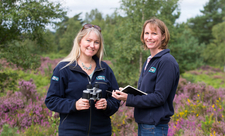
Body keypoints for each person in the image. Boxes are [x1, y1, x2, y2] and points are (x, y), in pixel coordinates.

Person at [45, 24, 120, 136]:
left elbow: (116, 98)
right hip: (72, 131)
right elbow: (51, 100)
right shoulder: (63, 69)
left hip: (102, 131)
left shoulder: (105, 69)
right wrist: (74, 105)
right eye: (88, 40)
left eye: (96, 42)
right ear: (80, 41)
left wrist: (107, 104)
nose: (92, 45)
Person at [112, 17, 180, 136]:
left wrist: (128, 98)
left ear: (163, 36)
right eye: (146, 33)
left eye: (154, 33)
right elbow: (146, 93)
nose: (149, 37)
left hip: (155, 126)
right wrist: (128, 93)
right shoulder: (150, 60)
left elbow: (159, 97)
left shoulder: (166, 61)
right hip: (145, 125)